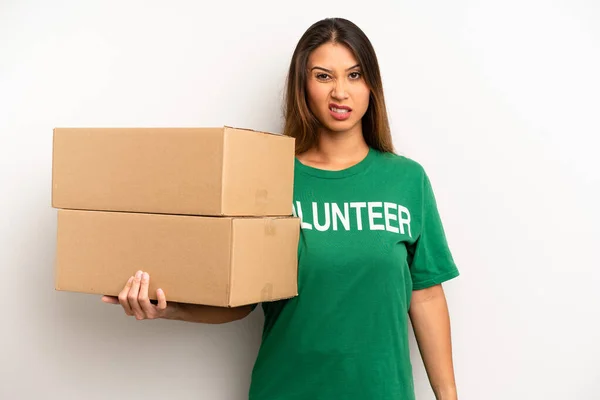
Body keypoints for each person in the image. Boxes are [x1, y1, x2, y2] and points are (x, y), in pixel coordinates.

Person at [102, 17, 460, 400]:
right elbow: (241, 298)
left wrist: (449, 396)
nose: (340, 92)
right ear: (302, 86)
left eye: (354, 75)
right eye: (323, 76)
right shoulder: (268, 181)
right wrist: (169, 309)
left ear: (371, 83)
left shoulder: (407, 180)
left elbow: (425, 296)